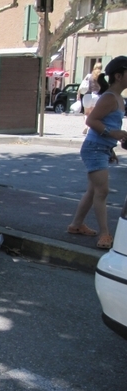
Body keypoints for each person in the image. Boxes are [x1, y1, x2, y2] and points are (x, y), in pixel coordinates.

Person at [68, 56, 127, 249]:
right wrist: (114, 134)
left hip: (101, 148)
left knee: (94, 190)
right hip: (94, 149)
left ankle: (76, 225)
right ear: (119, 76)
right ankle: (105, 235)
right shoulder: (109, 97)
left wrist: (110, 147)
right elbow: (91, 121)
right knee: (102, 191)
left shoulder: (117, 98)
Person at [81, 62, 103, 134]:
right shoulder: (101, 77)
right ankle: (90, 127)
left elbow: (82, 85)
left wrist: (78, 95)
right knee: (92, 113)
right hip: (97, 96)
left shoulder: (89, 75)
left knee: (86, 113)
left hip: (88, 95)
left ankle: (86, 126)